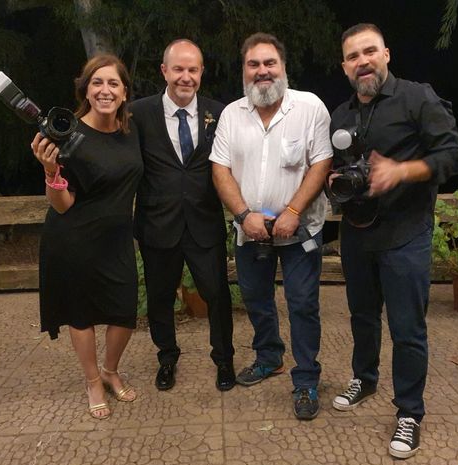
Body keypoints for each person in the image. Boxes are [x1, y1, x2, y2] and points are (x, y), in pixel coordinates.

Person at [329, 23, 458, 458]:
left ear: (386, 54)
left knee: (407, 329)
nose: (362, 61)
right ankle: (364, 380)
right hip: (356, 234)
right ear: (345, 66)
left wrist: (402, 171)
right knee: (362, 317)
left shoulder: (417, 97)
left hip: (406, 234)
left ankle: (409, 412)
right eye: (353, 56)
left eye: (369, 51)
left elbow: (454, 154)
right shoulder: (341, 114)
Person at [211, 33, 333, 420]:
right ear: (244, 71)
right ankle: (269, 357)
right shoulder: (232, 113)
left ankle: (306, 379)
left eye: (269, 63)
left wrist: (294, 209)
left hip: (300, 231)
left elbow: (321, 163)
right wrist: (245, 215)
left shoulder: (309, 106)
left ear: (283, 67)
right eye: (253, 64)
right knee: (256, 299)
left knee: (302, 303)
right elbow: (220, 169)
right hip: (250, 230)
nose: (262, 71)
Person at [31, 54, 143, 419]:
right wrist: (51, 171)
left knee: (125, 312)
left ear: (125, 92)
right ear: (86, 89)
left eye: (113, 83)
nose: (105, 90)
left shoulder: (131, 131)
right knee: (82, 315)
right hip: (74, 239)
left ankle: (110, 370)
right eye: (97, 83)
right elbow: (62, 205)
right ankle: (93, 379)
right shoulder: (70, 134)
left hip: (117, 240)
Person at [128, 39, 235, 392]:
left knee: (217, 295)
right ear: (164, 71)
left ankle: (223, 359)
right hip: (158, 225)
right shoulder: (137, 114)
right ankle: (167, 357)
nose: (185, 77)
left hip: (205, 225)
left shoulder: (219, 113)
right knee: (160, 297)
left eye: (192, 70)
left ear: (201, 72)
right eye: (178, 69)